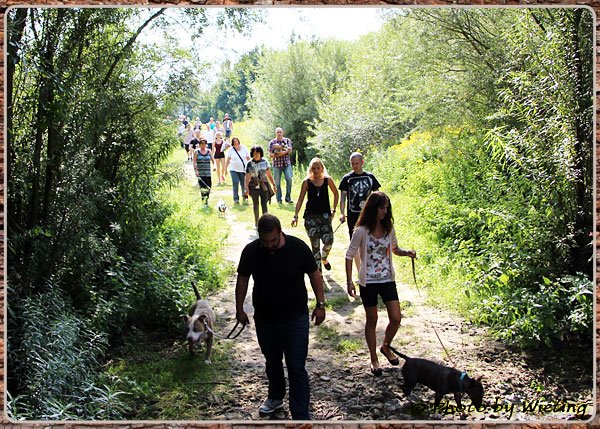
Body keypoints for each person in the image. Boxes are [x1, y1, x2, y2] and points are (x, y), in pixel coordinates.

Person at [235, 214, 326, 420]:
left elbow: (314, 275)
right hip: (265, 318)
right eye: (265, 241)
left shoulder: (298, 248)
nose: (270, 245)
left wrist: (320, 304)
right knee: (272, 361)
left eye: (273, 240)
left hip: (296, 317)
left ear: (280, 232)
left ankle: (300, 415)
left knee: (296, 365)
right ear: (259, 236)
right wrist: (239, 309)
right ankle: (275, 396)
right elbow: (242, 279)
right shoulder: (251, 251)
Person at [345, 191, 416, 377]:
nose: (385, 211)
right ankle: (373, 358)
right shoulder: (361, 231)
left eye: (387, 208)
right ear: (373, 208)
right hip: (368, 281)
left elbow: (395, 249)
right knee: (372, 319)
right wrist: (349, 281)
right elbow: (349, 255)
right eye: (382, 208)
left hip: (387, 279)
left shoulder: (388, 228)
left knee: (396, 317)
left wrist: (407, 253)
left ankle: (385, 346)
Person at [291, 158, 339, 272]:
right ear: (310, 169)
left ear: (322, 168)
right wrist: (295, 215)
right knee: (315, 246)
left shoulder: (328, 180)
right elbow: (300, 199)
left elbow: (336, 193)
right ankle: (319, 274)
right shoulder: (306, 182)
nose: (316, 170)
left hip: (325, 216)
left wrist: (334, 210)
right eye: (313, 168)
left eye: (318, 168)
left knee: (329, 241)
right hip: (310, 217)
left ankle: (324, 258)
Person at [339, 152, 381, 270]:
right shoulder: (346, 179)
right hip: (353, 216)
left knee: (370, 241)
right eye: (352, 164)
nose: (354, 166)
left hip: (369, 215)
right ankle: (360, 270)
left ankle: (370, 268)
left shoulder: (370, 177)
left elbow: (378, 196)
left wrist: (379, 212)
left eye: (356, 163)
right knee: (355, 243)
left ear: (362, 162)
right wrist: (342, 213)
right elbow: (342, 198)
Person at [245, 146, 277, 228]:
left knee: (264, 204)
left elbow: (269, 174)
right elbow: (247, 177)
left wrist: (274, 184)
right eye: (254, 153)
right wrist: (246, 188)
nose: (256, 155)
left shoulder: (265, 162)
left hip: (264, 186)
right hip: (253, 186)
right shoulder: (249, 163)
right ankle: (256, 222)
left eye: (258, 153)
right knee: (255, 204)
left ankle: (265, 222)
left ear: (260, 153)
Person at [268, 127, 293, 204]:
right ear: (275, 133)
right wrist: (284, 152)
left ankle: (288, 198)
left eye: (280, 132)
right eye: (278, 132)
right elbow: (270, 155)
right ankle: (279, 199)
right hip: (277, 165)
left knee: (289, 179)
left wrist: (279, 151)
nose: (279, 133)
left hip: (286, 164)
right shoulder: (272, 142)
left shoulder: (287, 140)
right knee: (277, 183)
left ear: (283, 133)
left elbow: (290, 150)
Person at [225, 137, 251, 204]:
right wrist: (225, 169)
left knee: (244, 184)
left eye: (236, 141)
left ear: (239, 141)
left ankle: (245, 196)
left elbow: (248, 158)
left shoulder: (244, 148)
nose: (236, 142)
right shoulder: (231, 150)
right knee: (235, 182)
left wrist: (251, 166)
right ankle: (236, 199)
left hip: (243, 169)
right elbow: (228, 160)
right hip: (233, 169)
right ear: (232, 143)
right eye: (234, 141)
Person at [193, 139, 215, 205]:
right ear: (199, 145)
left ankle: (206, 198)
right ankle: (204, 202)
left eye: (204, 143)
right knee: (202, 187)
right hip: (200, 173)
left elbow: (213, 160)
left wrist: (214, 166)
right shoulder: (196, 152)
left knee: (209, 186)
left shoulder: (209, 151)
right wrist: (196, 171)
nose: (203, 145)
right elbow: (194, 162)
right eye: (202, 143)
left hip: (208, 173)